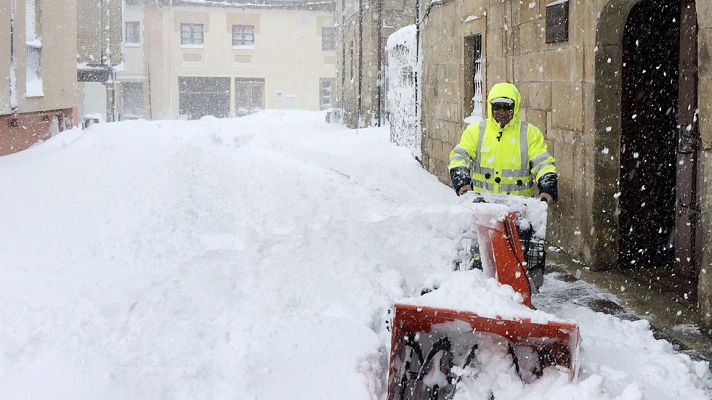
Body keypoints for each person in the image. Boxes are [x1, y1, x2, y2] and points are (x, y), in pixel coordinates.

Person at [448, 82, 558, 205]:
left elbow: (543, 163)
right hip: (483, 206)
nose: (502, 111)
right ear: (491, 107)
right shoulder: (476, 131)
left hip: (519, 208)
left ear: (515, 107)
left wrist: (547, 188)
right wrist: (462, 182)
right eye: (497, 107)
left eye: (507, 107)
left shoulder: (530, 133)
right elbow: (460, 157)